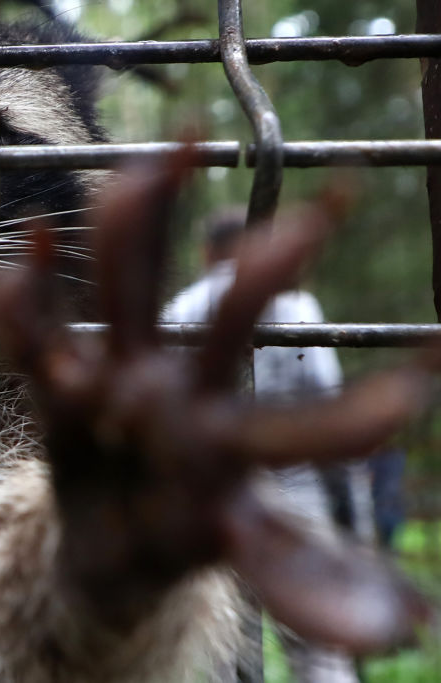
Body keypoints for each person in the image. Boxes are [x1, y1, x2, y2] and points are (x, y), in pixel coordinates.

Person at [162, 206, 372, 683]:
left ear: (207, 252)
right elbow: (328, 415)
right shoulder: (296, 309)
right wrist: (353, 523)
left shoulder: (181, 310)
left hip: (214, 511)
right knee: (318, 655)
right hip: (297, 510)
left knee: (225, 659)